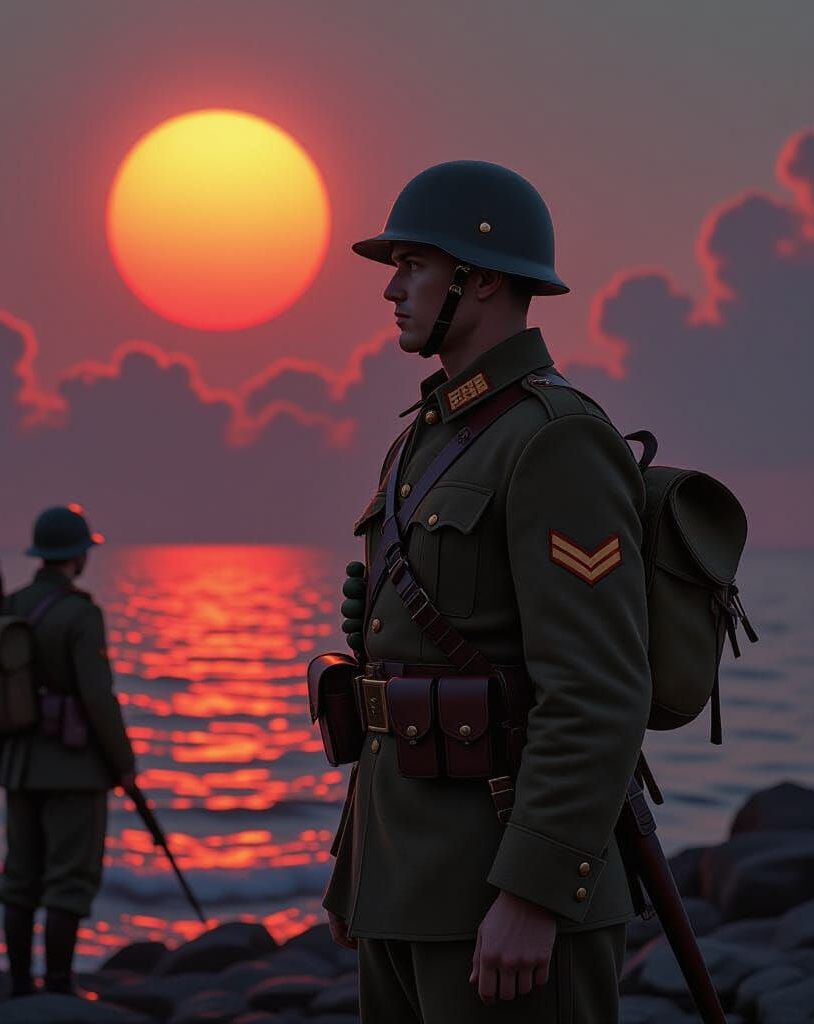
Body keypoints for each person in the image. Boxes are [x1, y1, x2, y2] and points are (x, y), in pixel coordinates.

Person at [322, 162, 652, 1023]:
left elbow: (598, 688)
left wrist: (535, 892)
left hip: (500, 891)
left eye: (414, 265)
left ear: (483, 278)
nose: (392, 288)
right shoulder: (426, 441)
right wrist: (356, 868)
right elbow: (393, 677)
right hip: (404, 883)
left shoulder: (555, 438)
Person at [0, 504, 138, 996]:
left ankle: (18, 986)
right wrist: (123, 764)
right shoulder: (81, 613)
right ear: (78, 554)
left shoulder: (11, 604)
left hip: (17, 763)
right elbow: (97, 697)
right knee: (69, 881)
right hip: (73, 766)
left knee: (20, 880)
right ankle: (58, 987)